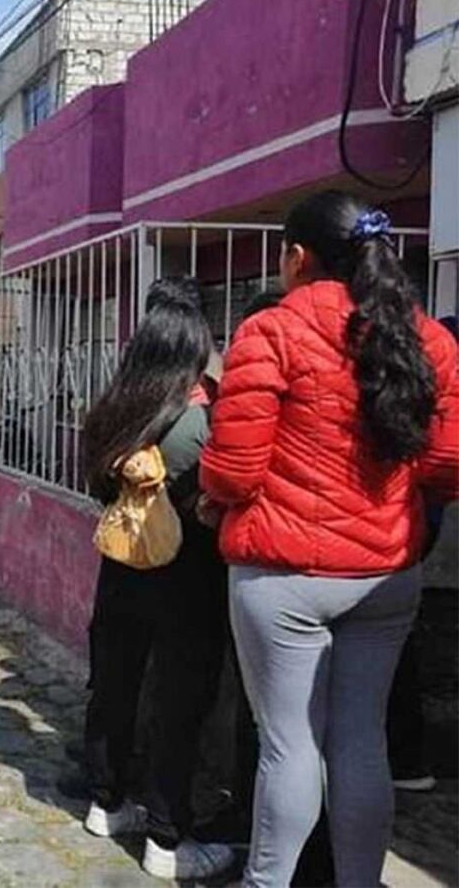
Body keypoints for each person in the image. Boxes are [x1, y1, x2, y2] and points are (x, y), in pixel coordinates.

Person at [200, 191, 459, 888]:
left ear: (296, 256)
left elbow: (233, 468)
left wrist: (214, 502)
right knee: (360, 741)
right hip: (384, 575)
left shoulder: (273, 331)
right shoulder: (429, 339)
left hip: (282, 574)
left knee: (289, 749)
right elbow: (446, 465)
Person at [77, 278, 234, 881]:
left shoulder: (115, 411)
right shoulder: (199, 420)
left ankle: (107, 802)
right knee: (179, 701)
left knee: (114, 686)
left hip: (120, 569)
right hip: (186, 576)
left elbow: (96, 487)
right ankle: (168, 839)